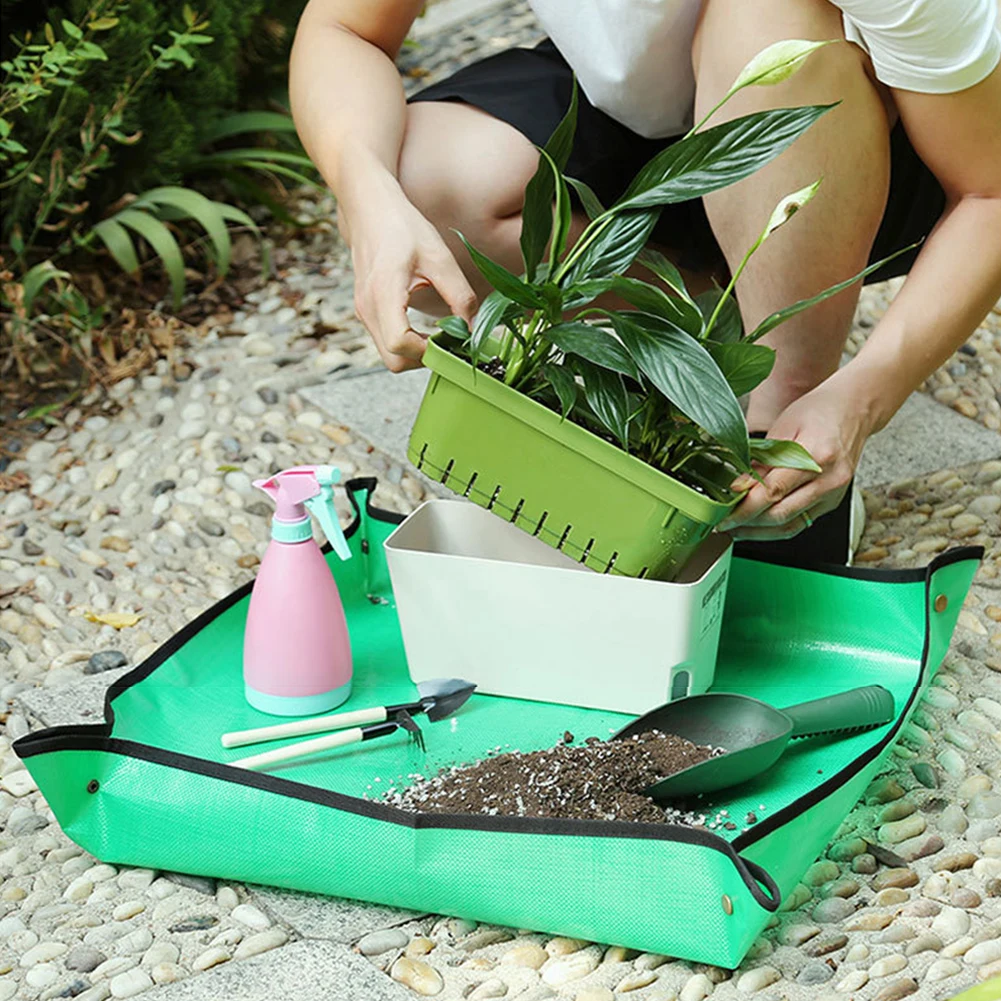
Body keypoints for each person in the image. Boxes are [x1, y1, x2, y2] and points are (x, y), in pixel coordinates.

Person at [288, 0, 1001, 566]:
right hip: (644, 109)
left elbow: (989, 192)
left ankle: (783, 415)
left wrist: (861, 398)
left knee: (771, 25)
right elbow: (344, 28)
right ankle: (702, 335)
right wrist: (369, 195)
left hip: (865, 126)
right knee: (423, 187)